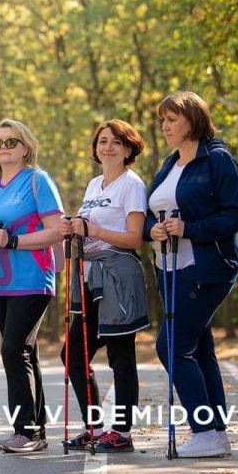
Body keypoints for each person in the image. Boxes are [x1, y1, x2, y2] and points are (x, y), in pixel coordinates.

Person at [147, 91, 238, 458]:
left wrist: (188, 227)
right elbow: (152, 212)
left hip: (206, 268)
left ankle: (204, 430)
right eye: (163, 120)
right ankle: (215, 431)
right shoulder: (170, 163)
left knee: (171, 346)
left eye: (172, 119)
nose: (165, 126)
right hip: (168, 269)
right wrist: (152, 230)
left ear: (193, 119)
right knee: (200, 348)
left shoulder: (217, 160)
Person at [0, 119, 64, 454]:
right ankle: (36, 430)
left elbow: (57, 230)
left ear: (25, 146)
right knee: (26, 351)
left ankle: (25, 431)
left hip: (33, 278)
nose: (4, 148)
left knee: (13, 350)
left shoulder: (38, 181)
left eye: (11, 142)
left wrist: (13, 241)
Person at [58, 120, 149, 453]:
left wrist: (91, 228)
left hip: (119, 273)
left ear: (128, 149)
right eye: (102, 141)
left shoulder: (132, 185)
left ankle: (121, 432)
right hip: (90, 276)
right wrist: (73, 229)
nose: (107, 147)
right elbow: (86, 228)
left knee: (120, 355)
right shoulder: (95, 184)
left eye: (115, 142)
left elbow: (134, 238)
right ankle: (95, 427)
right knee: (73, 353)